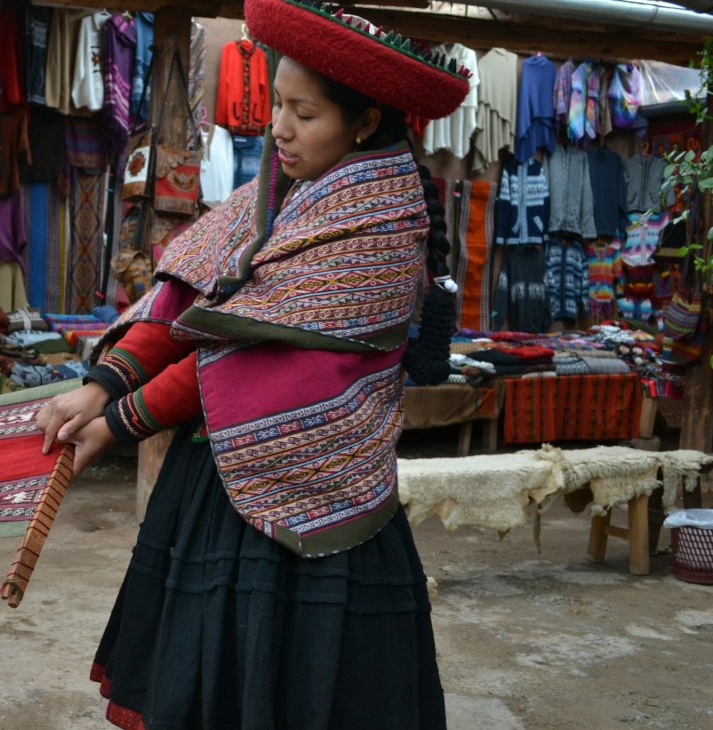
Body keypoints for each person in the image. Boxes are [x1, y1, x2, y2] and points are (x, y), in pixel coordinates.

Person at [37, 0, 471, 726]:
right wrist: (103, 385)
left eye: (306, 113)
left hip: (322, 492)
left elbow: (247, 353)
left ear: (363, 123)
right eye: (277, 106)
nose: (280, 129)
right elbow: (188, 298)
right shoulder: (270, 195)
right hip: (217, 479)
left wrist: (120, 423)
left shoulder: (385, 226)